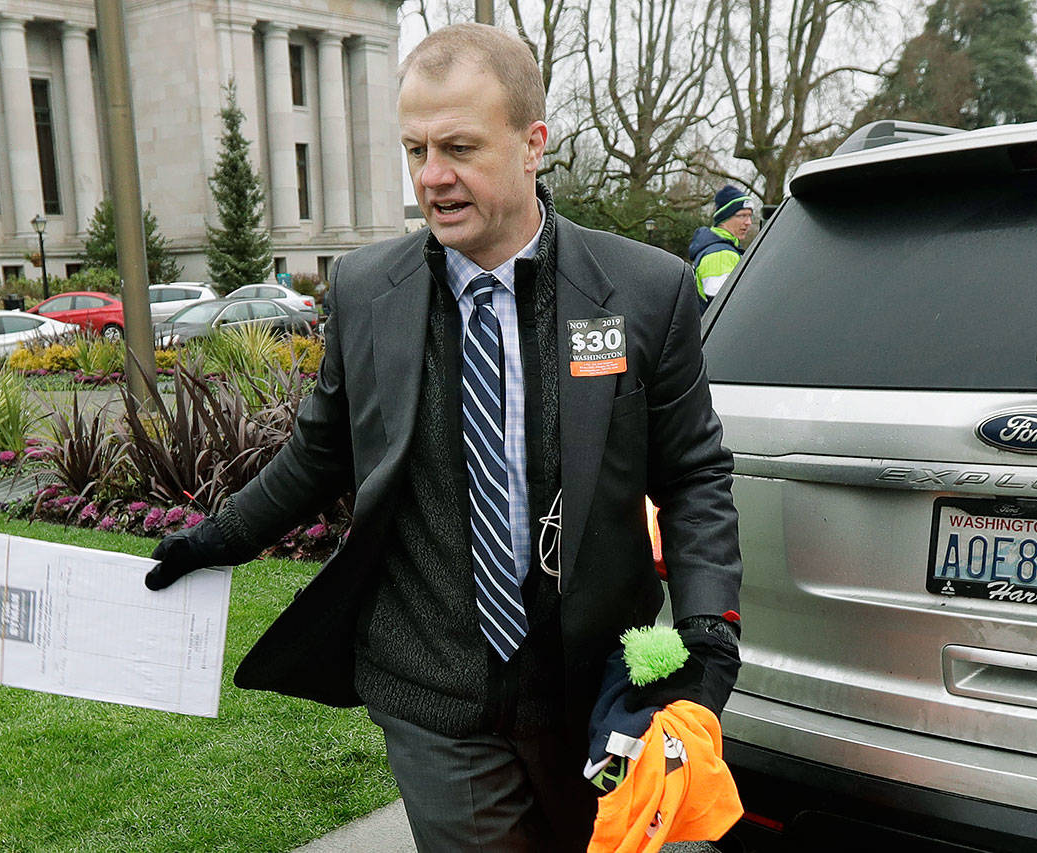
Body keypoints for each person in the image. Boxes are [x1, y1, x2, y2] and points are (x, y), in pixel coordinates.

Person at [144, 22, 742, 852]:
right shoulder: (366, 290)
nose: (432, 177)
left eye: (459, 147)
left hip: (592, 691)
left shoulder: (644, 292)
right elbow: (322, 452)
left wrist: (711, 626)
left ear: (533, 144)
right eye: (415, 149)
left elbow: (693, 474)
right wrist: (216, 537)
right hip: (430, 689)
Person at [688, 184, 753, 314]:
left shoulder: (721, 249)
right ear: (724, 219)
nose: (748, 222)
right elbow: (725, 310)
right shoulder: (720, 254)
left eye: (750, 216)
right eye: (742, 215)